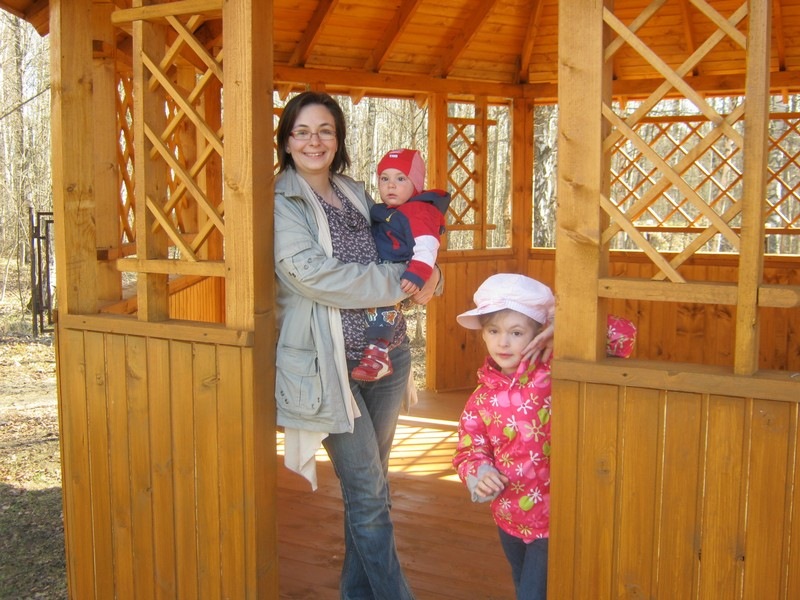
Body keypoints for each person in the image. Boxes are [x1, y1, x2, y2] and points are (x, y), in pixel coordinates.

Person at [272, 90, 441, 600]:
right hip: (329, 367)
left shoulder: (353, 190)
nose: (314, 141)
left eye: (325, 130)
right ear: (286, 140)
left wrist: (431, 276)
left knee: (372, 490)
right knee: (368, 495)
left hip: (387, 355)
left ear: (338, 138)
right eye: (302, 131)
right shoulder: (281, 201)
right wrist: (402, 283)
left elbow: (403, 245)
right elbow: (313, 275)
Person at [452, 273, 637, 600]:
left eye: (516, 332)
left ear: (539, 333)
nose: (503, 343)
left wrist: (564, 325)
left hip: (556, 518)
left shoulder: (555, 372)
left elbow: (624, 338)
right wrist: (479, 474)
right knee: (524, 586)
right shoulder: (481, 399)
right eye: (493, 331)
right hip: (508, 517)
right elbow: (469, 451)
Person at [351, 148, 452, 382]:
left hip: (401, 269)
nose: (391, 185)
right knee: (379, 306)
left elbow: (427, 245)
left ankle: (378, 355)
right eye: (384, 178)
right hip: (386, 265)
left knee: (382, 308)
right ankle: (377, 352)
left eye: (400, 179)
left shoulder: (419, 211)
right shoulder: (389, 210)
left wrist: (418, 273)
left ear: (416, 183)